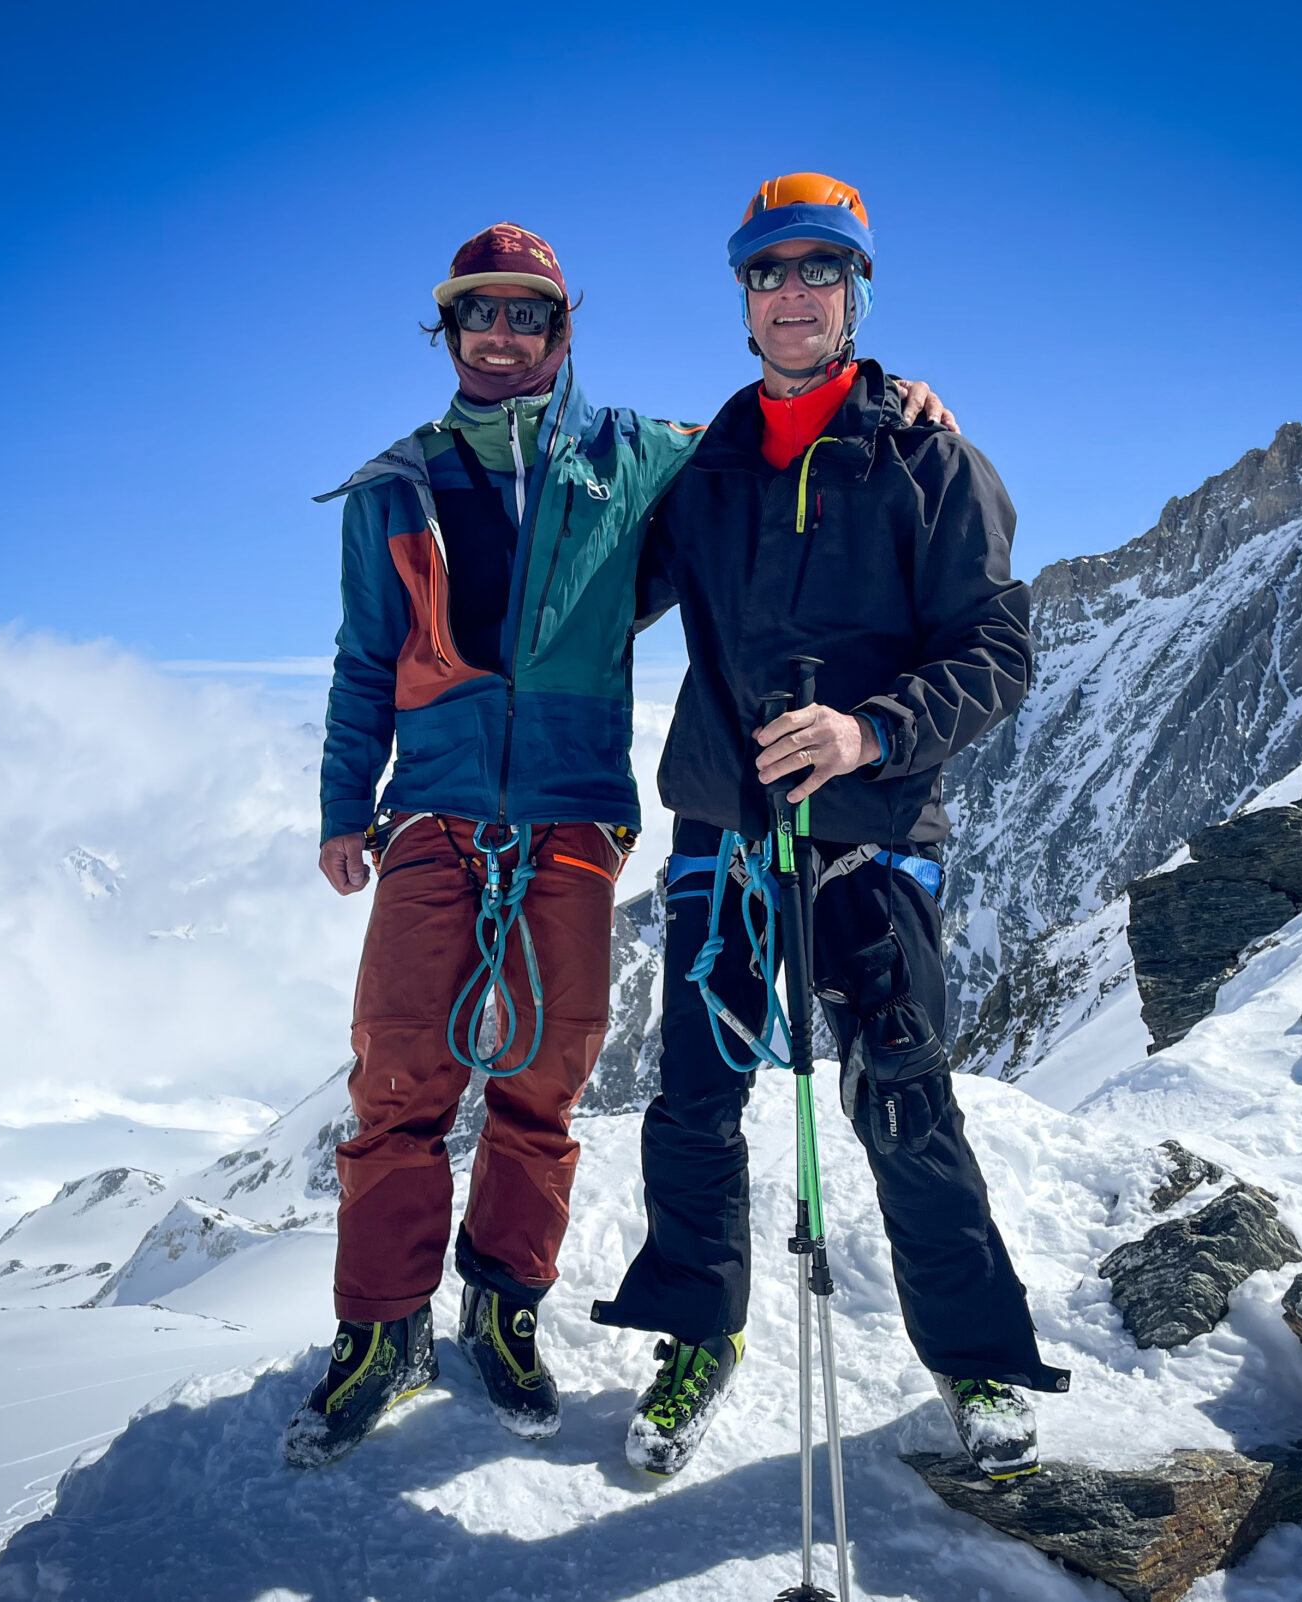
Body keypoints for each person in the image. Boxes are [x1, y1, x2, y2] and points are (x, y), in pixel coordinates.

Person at [286, 222, 953, 1466]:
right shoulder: (396, 483)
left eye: (525, 315)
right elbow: (361, 661)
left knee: (549, 1076)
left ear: (561, 330)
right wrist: (341, 804)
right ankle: (380, 1329)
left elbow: (789, 431)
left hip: (576, 810)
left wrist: (898, 400)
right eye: (478, 315)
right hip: (432, 810)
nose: (501, 335)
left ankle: (504, 1304)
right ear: (451, 332)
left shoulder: (641, 457)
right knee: (398, 1072)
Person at [593, 174, 1071, 1481]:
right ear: (742, 297)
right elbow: (609, 589)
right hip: (722, 829)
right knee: (692, 1100)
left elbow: (998, 647)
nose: (791, 293)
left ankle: (975, 1356)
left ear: (855, 291)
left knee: (902, 1095)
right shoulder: (706, 471)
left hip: (868, 824)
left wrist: (869, 731)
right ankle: (698, 1334)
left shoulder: (930, 458)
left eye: (818, 271)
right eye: (768, 272)